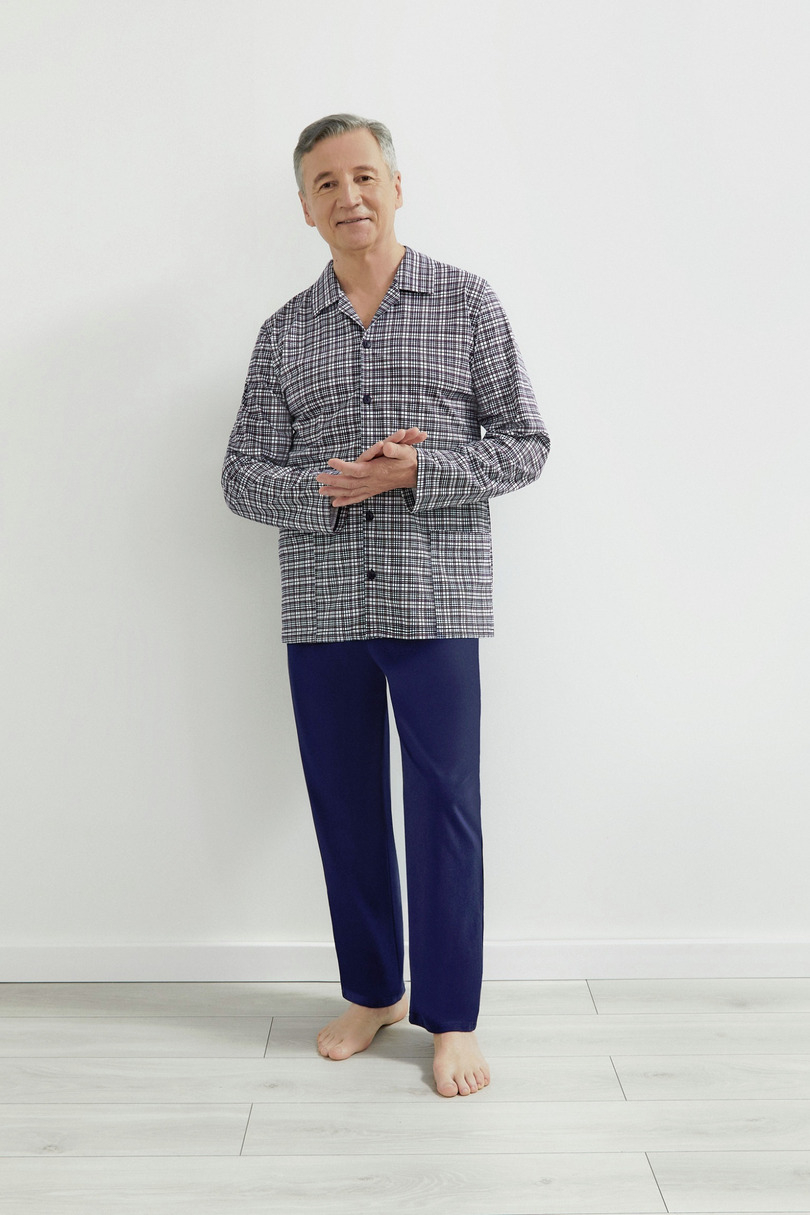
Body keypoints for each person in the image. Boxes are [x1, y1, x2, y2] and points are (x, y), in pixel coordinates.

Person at [222, 113, 549, 1097]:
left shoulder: (467, 302)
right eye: (326, 184)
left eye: (363, 175)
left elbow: (526, 445)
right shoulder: (284, 332)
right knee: (347, 809)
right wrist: (331, 488)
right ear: (305, 208)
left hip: (435, 601)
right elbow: (241, 475)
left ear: (396, 187)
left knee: (445, 811)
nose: (348, 196)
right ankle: (373, 993)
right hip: (322, 611)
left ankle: (452, 1019)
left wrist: (417, 473)